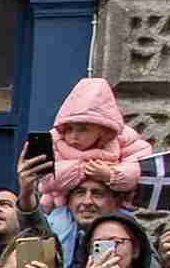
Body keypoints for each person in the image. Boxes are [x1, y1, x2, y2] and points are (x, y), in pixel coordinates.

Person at [38, 79, 156, 211]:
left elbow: (138, 170)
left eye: (83, 129)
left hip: (114, 208)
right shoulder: (52, 140)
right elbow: (45, 180)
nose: (74, 136)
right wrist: (86, 169)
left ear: (103, 129)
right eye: (69, 129)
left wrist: (111, 175)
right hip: (61, 206)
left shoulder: (124, 139)